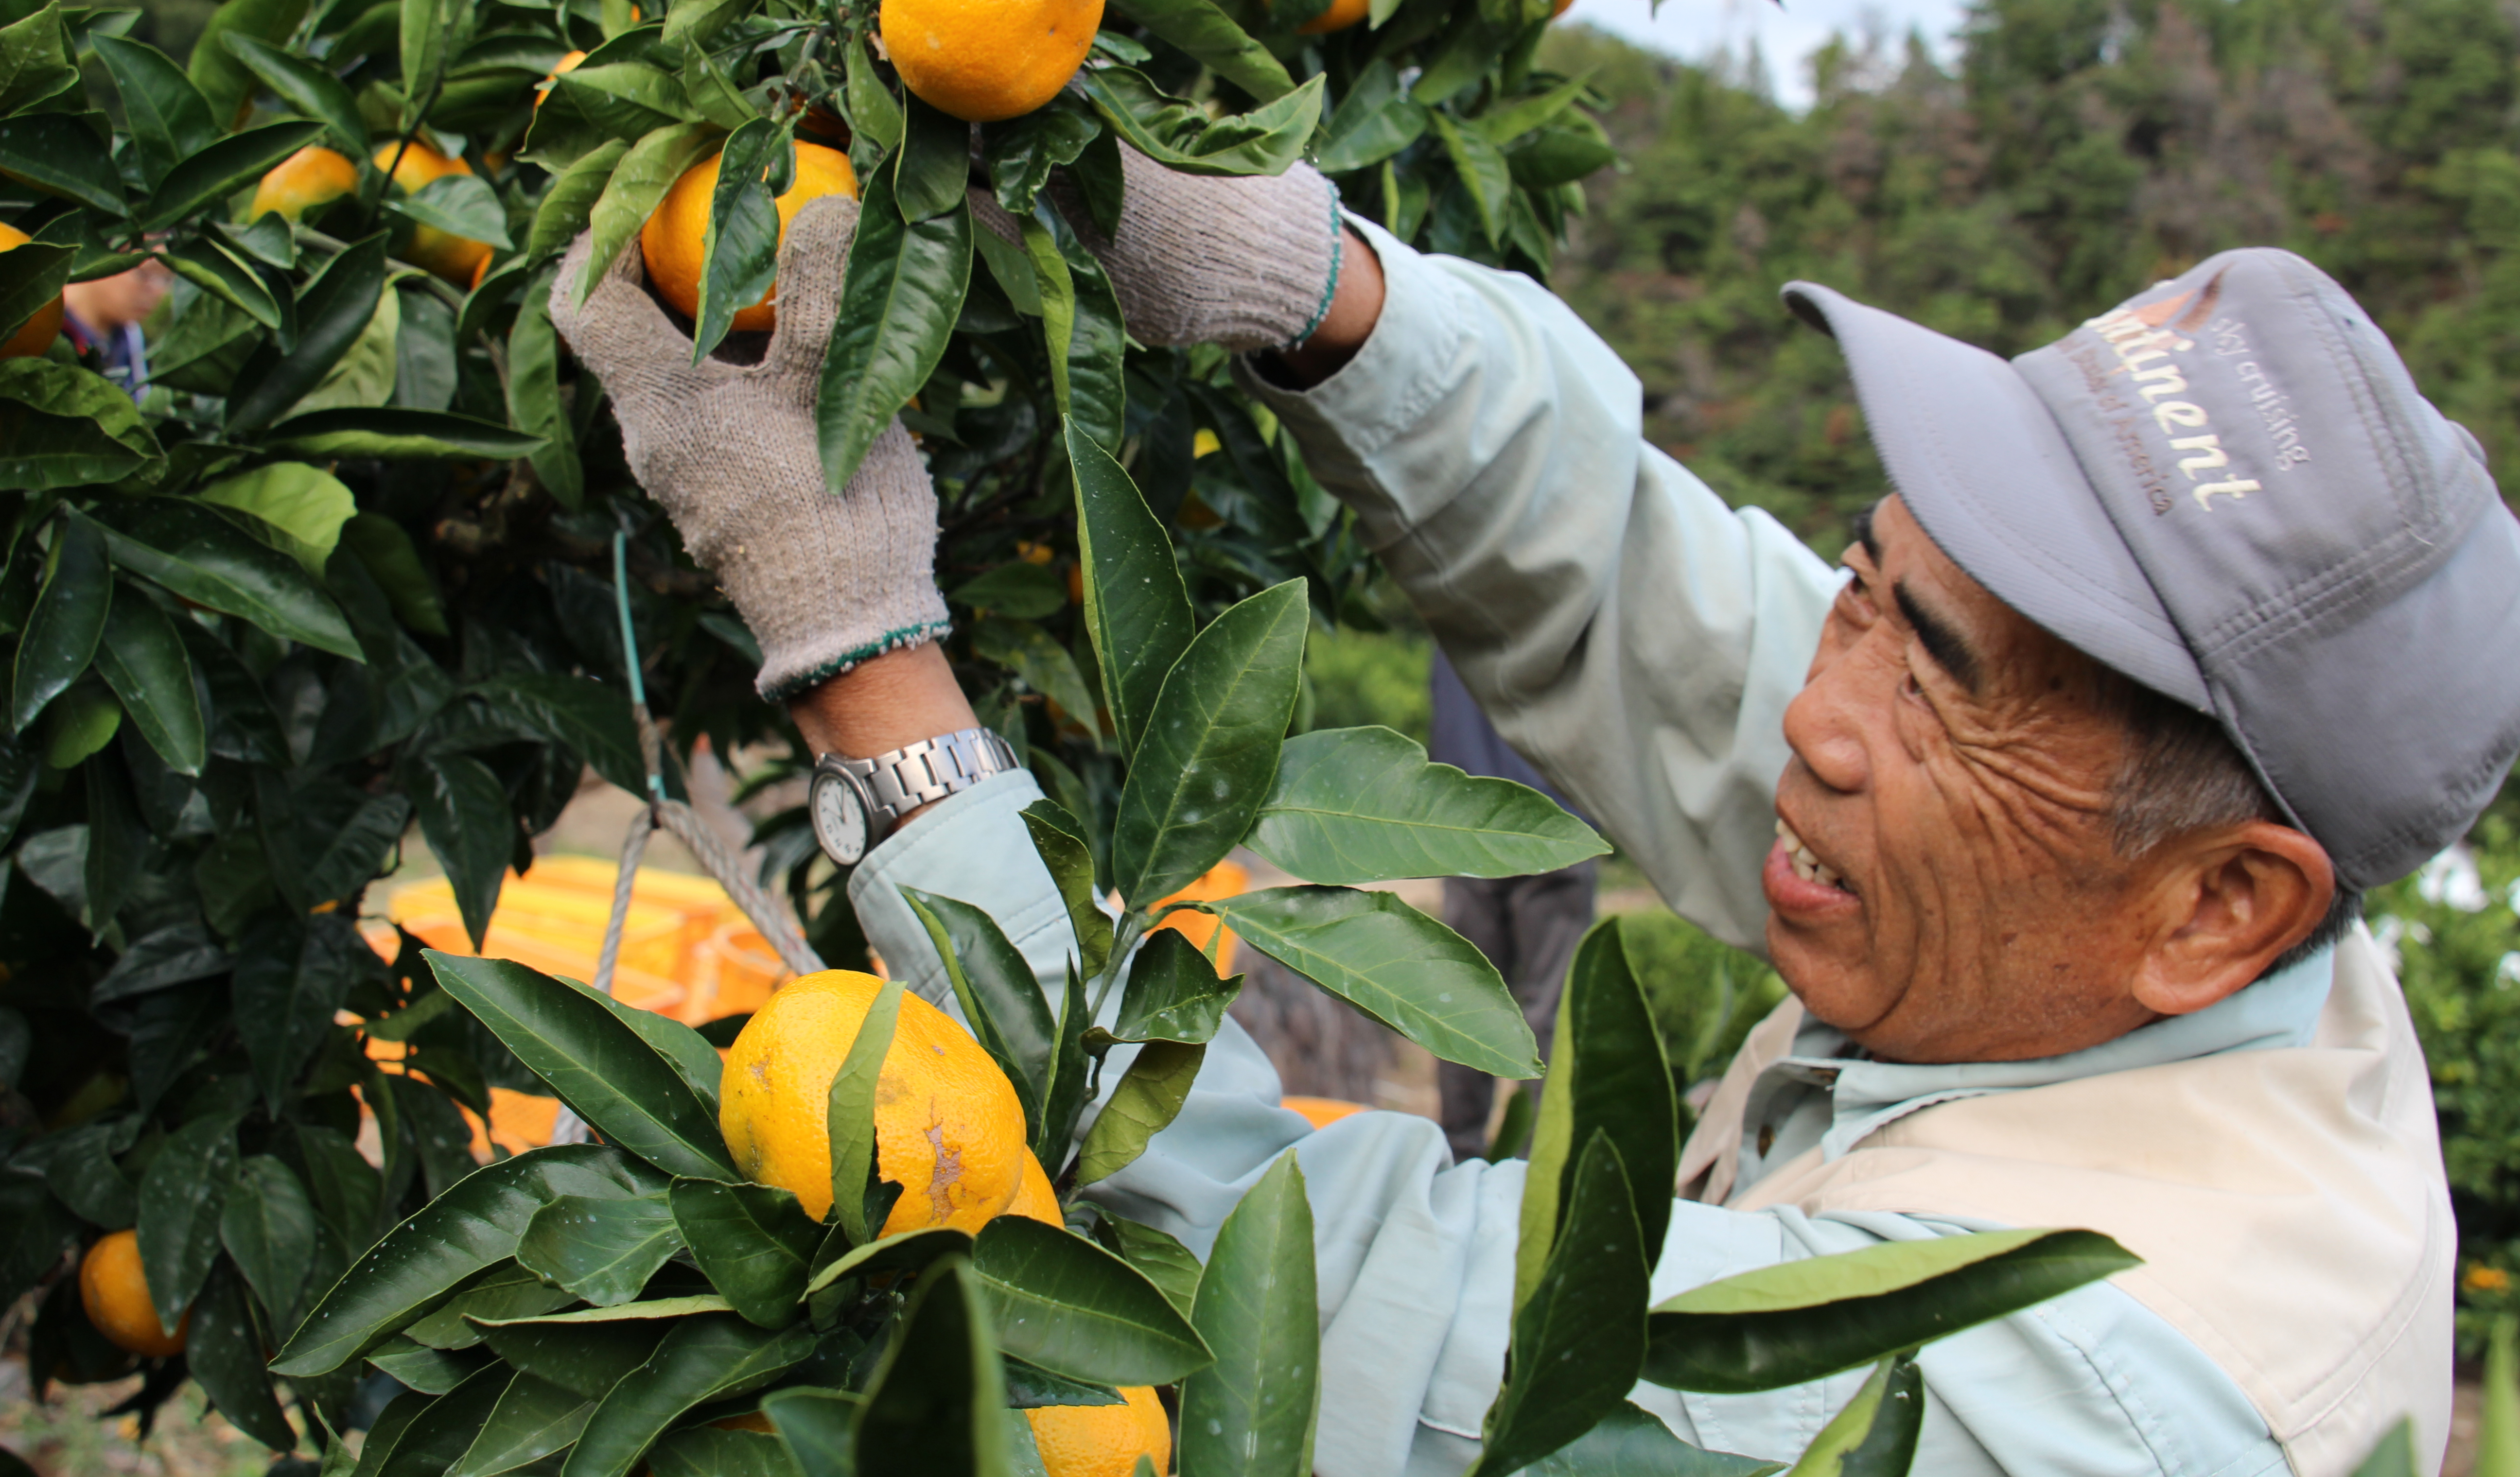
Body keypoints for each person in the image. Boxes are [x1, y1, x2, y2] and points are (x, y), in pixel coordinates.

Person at [552, 139, 2517, 1476]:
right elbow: (1640, 584)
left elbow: (1297, 1291)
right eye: (1865, 583)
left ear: (2220, 910)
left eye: (1935, 676)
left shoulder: (2091, 1388)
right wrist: (1301, 277)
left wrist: (855, 643)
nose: (1823, 719)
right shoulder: (2107, 913)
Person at [1425, 649, 1597, 1162]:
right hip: (1553, 823)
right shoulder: (1558, 611)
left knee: (1465, 1004)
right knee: (1551, 1007)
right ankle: (1546, 1163)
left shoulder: (1454, 605)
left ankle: (1460, 1155)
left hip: (1468, 825)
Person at [61, 260, 170, 396]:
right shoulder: (47, 330)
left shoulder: (131, 342)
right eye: (144, 273)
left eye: (167, 279)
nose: (158, 291)